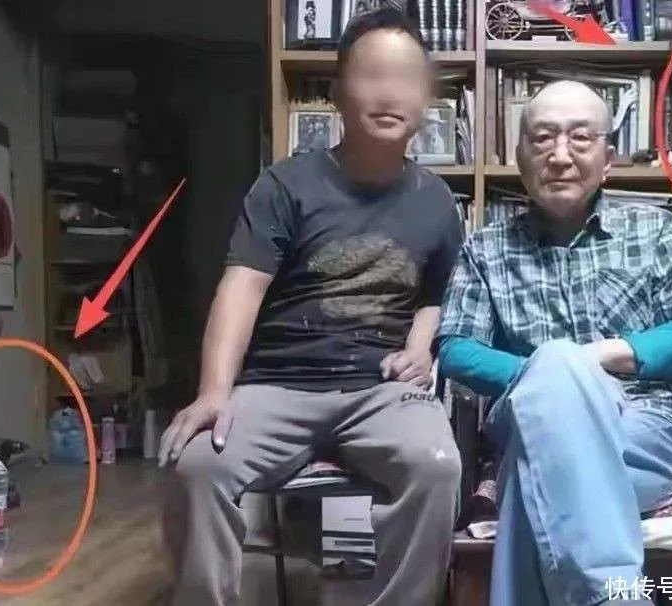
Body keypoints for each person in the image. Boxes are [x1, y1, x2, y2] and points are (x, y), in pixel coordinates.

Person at [159, 9, 463, 606]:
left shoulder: (436, 200)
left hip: (381, 390)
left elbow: (435, 295)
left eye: (406, 79)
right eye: (371, 76)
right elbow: (241, 287)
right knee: (195, 465)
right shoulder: (285, 185)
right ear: (337, 94)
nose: (389, 93)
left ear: (427, 99)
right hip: (277, 384)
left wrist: (419, 347)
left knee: (437, 464)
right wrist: (214, 391)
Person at [435, 80, 672, 606]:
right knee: (552, 409)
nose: (560, 155)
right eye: (543, 138)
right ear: (520, 156)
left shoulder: (658, 230)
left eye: (580, 138)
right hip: (530, 420)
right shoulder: (486, 247)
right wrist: (550, 377)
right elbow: (456, 348)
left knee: (533, 479)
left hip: (645, 426)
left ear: (607, 157)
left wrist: (584, 362)